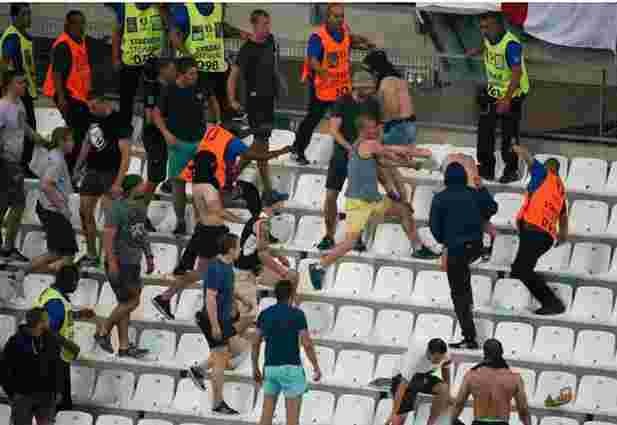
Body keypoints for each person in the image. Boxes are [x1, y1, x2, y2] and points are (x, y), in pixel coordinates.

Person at [309, 113, 438, 290]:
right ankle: (319, 266)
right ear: (362, 130)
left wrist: (409, 165)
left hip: (371, 200)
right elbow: (390, 150)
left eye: (376, 126)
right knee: (350, 243)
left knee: (403, 209)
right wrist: (417, 153)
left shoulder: (363, 147)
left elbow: (384, 162)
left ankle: (418, 248)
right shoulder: (367, 144)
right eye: (372, 127)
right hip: (358, 204)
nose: (376, 129)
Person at [169, 122, 291, 276]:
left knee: (203, 228)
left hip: (202, 186)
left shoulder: (210, 137)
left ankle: (185, 265)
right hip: (218, 191)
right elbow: (259, 156)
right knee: (218, 226)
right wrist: (282, 150)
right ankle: (254, 228)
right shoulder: (233, 144)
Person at [152, 151, 245, 320]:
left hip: (207, 231)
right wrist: (242, 220)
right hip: (213, 235)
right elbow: (218, 211)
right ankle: (226, 311)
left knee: (209, 273)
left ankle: (168, 298)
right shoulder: (207, 187)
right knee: (215, 273)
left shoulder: (197, 185)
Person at [292, 3, 374, 165]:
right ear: (327, 17)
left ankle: (352, 154)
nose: (339, 19)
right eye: (336, 16)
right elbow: (313, 60)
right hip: (324, 88)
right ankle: (297, 150)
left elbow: (350, 40)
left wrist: (364, 43)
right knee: (312, 119)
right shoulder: (318, 37)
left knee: (349, 120)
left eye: (342, 16)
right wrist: (322, 72)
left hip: (342, 87)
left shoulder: (344, 31)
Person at [429, 161, 498, 350]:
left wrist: (445, 240)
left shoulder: (440, 198)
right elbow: (492, 208)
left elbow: (434, 227)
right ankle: (469, 301)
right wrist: (481, 189)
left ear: (446, 178)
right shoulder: (474, 194)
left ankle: (469, 338)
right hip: (475, 247)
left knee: (458, 295)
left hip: (456, 250)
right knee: (463, 285)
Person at [227, 9, 289, 207]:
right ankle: (233, 180)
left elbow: (273, 66)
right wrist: (232, 99)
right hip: (254, 102)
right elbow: (233, 76)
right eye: (263, 24)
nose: (267, 27)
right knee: (261, 145)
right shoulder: (247, 49)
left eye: (268, 23)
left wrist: (280, 81)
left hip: (268, 100)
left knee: (261, 146)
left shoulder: (270, 40)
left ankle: (262, 189)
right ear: (254, 25)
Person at [316, 70, 380, 251]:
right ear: (358, 87)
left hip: (362, 156)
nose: (370, 91)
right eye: (367, 88)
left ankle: (356, 236)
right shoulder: (342, 101)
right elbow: (334, 129)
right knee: (331, 196)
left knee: (358, 199)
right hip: (341, 154)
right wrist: (349, 147)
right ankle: (329, 235)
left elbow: (377, 129)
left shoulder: (373, 104)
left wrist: (368, 147)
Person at [152, 56, 217, 235]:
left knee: (200, 186)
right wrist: (166, 134)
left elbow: (213, 101)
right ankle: (180, 221)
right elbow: (156, 114)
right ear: (181, 75)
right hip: (178, 144)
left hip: (199, 143)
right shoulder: (169, 90)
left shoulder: (201, 86)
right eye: (191, 74)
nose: (195, 76)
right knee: (178, 185)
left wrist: (215, 122)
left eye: (196, 73)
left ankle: (200, 223)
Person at [94, 175, 154, 359]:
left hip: (133, 262)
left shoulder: (140, 206)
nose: (144, 186)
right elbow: (108, 237)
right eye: (141, 184)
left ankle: (124, 347)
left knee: (124, 303)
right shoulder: (116, 208)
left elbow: (141, 233)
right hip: (121, 262)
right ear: (134, 187)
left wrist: (149, 255)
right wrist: (112, 263)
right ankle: (104, 330)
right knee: (132, 302)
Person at [466, 12, 529, 183]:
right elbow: (486, 45)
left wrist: (507, 99)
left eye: (487, 27)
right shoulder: (489, 38)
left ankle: (511, 170)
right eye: (482, 27)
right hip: (494, 92)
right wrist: (477, 50)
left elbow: (517, 73)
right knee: (485, 130)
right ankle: (486, 167)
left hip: (513, 94)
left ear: (499, 25)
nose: (484, 31)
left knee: (509, 133)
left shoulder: (511, 45)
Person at [187, 233, 247, 415]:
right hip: (212, 320)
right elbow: (210, 298)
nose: (241, 250)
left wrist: (241, 300)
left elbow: (227, 289)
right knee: (221, 359)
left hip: (223, 319)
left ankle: (199, 369)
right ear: (230, 250)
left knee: (238, 350)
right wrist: (214, 326)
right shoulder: (215, 268)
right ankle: (217, 403)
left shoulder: (228, 265)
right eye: (238, 247)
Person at [362, 49, 432, 201]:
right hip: (409, 126)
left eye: (369, 71)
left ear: (375, 69)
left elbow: (393, 110)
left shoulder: (386, 82)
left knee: (378, 160)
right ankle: (402, 197)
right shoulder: (398, 79)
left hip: (398, 127)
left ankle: (399, 197)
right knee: (387, 164)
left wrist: (379, 125)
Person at [169, 3, 253, 122]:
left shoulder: (218, 6)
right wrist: (188, 57)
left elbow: (219, 25)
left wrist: (239, 33)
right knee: (199, 109)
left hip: (218, 66)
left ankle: (223, 126)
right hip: (197, 69)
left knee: (224, 107)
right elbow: (174, 37)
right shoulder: (184, 9)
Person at [253, 280, 321, 425]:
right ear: (291, 295)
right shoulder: (297, 314)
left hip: (270, 368)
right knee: (292, 420)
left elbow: (255, 343)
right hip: (291, 368)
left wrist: (255, 367)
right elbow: (307, 344)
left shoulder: (264, 314)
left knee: (265, 417)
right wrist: (316, 366)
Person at [74, 98, 131, 269]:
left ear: (104, 103)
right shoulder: (92, 118)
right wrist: (77, 167)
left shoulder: (120, 121)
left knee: (112, 219)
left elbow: (126, 156)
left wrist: (118, 183)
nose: (90, 110)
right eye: (89, 107)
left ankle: (114, 256)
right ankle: (92, 255)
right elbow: (86, 143)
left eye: (93, 107)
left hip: (111, 173)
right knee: (84, 212)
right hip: (92, 171)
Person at [511, 144, 567, 315]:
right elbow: (563, 217)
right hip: (545, 237)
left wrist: (515, 147)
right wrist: (562, 236)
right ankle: (520, 300)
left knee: (522, 270)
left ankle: (552, 303)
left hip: (534, 231)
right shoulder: (560, 190)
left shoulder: (544, 174)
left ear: (548, 167)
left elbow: (528, 158)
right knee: (519, 269)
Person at [0, 70, 48, 262]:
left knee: (6, 204)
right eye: (20, 83)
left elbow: (24, 127)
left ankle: (7, 247)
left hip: (14, 162)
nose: (24, 86)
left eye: (25, 83)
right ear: (9, 85)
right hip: (7, 162)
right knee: (18, 204)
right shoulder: (2, 107)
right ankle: (8, 247)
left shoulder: (19, 104)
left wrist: (42, 140)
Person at [33, 264, 95, 411]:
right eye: (76, 281)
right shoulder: (56, 302)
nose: (76, 285)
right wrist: (69, 345)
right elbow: (48, 330)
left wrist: (78, 314)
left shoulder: (52, 294)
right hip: (53, 358)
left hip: (55, 357)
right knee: (60, 404)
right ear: (68, 280)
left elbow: (59, 316)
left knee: (61, 402)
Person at [21, 127, 77, 277]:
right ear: (61, 142)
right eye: (70, 140)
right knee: (65, 255)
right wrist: (62, 208)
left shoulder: (51, 155)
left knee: (59, 253)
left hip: (46, 207)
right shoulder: (57, 160)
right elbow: (46, 185)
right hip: (53, 210)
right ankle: (23, 273)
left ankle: (24, 273)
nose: (73, 143)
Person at [105, 3, 170, 128]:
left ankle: (151, 127)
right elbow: (117, 34)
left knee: (152, 97)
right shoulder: (125, 7)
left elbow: (170, 27)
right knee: (126, 97)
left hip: (153, 61)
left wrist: (162, 9)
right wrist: (115, 58)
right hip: (130, 61)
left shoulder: (159, 7)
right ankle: (124, 127)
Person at [42, 10, 92, 173]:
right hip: (66, 94)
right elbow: (56, 73)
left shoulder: (80, 41)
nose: (81, 26)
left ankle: (69, 166)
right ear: (68, 25)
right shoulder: (63, 45)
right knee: (77, 133)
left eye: (83, 23)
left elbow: (82, 69)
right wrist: (62, 98)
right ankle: (67, 169)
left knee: (80, 131)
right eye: (77, 23)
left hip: (78, 95)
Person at [1, 308, 61, 425]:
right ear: (39, 323)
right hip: (22, 396)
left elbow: (57, 366)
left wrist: (57, 389)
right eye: (47, 320)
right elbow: (4, 368)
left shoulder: (51, 340)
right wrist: (12, 393)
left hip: (46, 396)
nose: (49, 322)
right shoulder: (15, 341)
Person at [451, 338, 532, 425]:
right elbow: (523, 410)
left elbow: (459, 404)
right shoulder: (515, 378)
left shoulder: (471, 376)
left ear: (484, 353)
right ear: (501, 353)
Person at [1, 3, 37, 175]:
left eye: (29, 13)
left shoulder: (23, 37)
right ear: (14, 17)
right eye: (24, 14)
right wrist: (7, 89)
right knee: (25, 128)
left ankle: (22, 164)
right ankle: (20, 165)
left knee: (26, 127)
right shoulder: (13, 38)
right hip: (17, 91)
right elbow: (4, 63)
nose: (28, 17)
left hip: (24, 90)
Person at [236, 207, 298, 305]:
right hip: (247, 271)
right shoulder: (262, 229)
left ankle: (289, 306)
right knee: (291, 278)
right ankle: (285, 307)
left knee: (293, 276)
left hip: (255, 265)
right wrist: (283, 272)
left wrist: (280, 257)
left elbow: (263, 249)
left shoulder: (265, 223)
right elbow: (262, 255)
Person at [387, 338, 452, 425]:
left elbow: (446, 372)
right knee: (400, 416)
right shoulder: (414, 358)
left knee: (444, 388)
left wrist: (448, 394)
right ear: (428, 352)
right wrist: (394, 412)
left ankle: (431, 423)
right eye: (436, 359)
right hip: (400, 377)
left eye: (441, 358)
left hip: (423, 376)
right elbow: (402, 387)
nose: (439, 361)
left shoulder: (445, 354)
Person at [141, 57, 177, 212]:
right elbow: (150, 118)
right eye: (172, 69)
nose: (175, 72)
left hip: (164, 137)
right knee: (154, 178)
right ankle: (140, 211)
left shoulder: (170, 88)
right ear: (162, 70)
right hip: (154, 137)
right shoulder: (153, 88)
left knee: (160, 175)